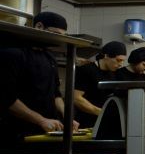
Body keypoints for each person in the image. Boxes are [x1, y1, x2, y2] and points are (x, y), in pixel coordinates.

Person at [0, 12, 79, 144]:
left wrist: (67, 117)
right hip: (18, 133)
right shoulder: (13, 53)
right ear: (39, 26)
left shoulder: (49, 57)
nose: (57, 40)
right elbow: (6, 98)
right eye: (55, 34)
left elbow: (56, 94)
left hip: (46, 130)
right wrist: (41, 120)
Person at [74, 41, 126, 128]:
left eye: (122, 61)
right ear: (106, 56)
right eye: (118, 60)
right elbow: (76, 98)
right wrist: (101, 112)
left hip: (105, 122)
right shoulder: (86, 70)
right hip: (87, 122)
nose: (120, 64)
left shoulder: (114, 73)